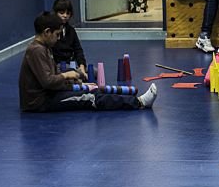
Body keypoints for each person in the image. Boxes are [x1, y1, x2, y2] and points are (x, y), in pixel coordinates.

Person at [19, 12, 157, 112]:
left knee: (91, 87)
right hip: (40, 102)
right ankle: (139, 103)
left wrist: (80, 83)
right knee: (90, 97)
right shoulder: (36, 50)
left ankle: (130, 95)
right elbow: (48, 82)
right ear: (47, 32)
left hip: (50, 93)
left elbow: (54, 76)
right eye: (56, 35)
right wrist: (67, 76)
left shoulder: (45, 48)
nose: (58, 39)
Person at [51, 0, 87, 79]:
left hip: (71, 64)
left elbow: (78, 50)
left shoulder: (71, 30)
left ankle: (78, 74)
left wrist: (82, 66)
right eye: (62, 13)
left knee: (94, 72)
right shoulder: (52, 31)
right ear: (55, 13)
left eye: (68, 13)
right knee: (75, 73)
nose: (65, 15)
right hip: (58, 66)